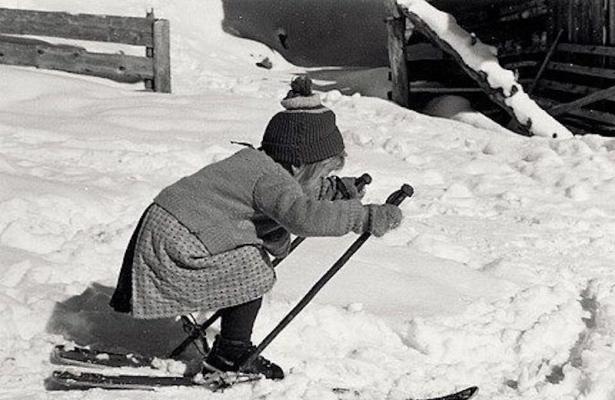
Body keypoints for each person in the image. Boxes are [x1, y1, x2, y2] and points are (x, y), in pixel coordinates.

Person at [109, 76, 403, 380]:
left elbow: (296, 193)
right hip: (176, 242)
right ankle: (230, 354)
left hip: (173, 228)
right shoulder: (271, 179)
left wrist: (333, 190)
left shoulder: (264, 165)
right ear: (299, 164)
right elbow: (302, 216)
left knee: (247, 266)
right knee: (251, 271)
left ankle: (231, 348)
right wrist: (364, 217)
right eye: (322, 175)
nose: (320, 182)